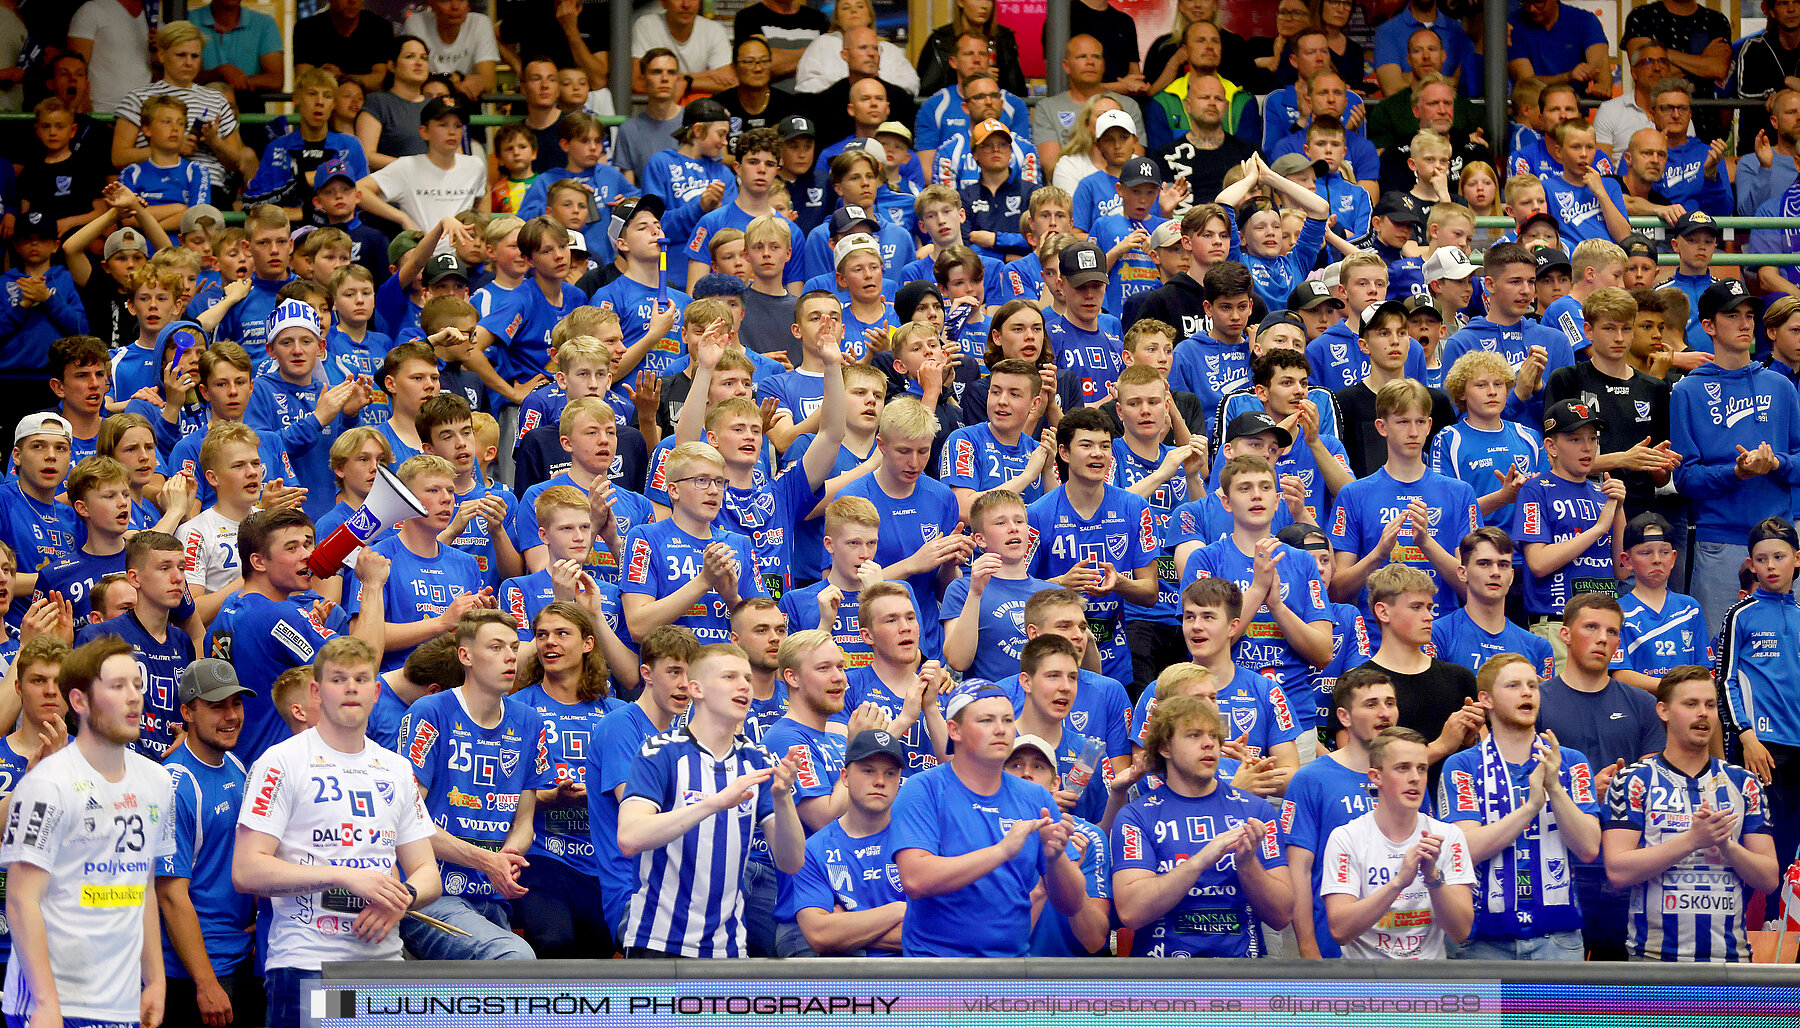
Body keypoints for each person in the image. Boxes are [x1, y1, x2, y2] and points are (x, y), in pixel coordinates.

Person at [235, 636, 439, 1028]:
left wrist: (403, 898)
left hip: (383, 967)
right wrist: (343, 875)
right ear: (316, 691)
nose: (351, 688)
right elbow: (246, 870)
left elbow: (427, 872)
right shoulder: (281, 762)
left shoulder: (396, 767)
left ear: (376, 691)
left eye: (362, 679)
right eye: (338, 679)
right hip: (309, 964)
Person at [0, 636, 175, 1028]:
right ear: (79, 701)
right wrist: (46, 1002)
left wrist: (156, 980)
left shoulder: (157, 782)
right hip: (54, 1002)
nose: (134, 697)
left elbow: (143, 884)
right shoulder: (46, 784)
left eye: (137, 685)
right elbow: (20, 900)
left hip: (123, 1001)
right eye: (117, 687)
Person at [617, 642, 805, 958]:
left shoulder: (756, 760)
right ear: (696, 689)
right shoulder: (660, 751)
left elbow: (791, 862)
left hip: (728, 949)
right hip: (658, 941)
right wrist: (714, 803)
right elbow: (630, 837)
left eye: (747, 677)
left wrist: (783, 799)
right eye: (730, 676)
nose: (744, 685)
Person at [889, 680, 1088, 956]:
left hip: (1012, 968)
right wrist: (1002, 851)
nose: (1001, 729)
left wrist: (1055, 860)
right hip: (935, 971)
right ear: (954, 730)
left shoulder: (1036, 798)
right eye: (986, 720)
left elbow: (1072, 904)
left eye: (1008, 719)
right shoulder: (923, 789)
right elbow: (915, 880)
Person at [1602, 667, 1782, 962]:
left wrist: (1727, 846)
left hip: (1729, 962)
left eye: (1710, 705)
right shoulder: (1633, 780)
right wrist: (1693, 839)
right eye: (1690, 704)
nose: (1703, 713)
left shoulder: (1743, 782)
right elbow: (1618, 871)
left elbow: (1769, 878)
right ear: (1663, 711)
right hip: (1652, 960)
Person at [395, 611, 541, 960]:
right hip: (430, 895)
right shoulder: (429, 712)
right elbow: (408, 822)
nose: (510, 656)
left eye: (514, 647)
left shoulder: (529, 721)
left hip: (491, 896)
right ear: (466, 656)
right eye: (496, 647)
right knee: (516, 959)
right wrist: (487, 861)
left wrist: (505, 859)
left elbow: (524, 823)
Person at [1438, 654, 1602, 960]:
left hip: (1557, 939)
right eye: (1513, 685)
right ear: (1485, 699)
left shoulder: (1570, 762)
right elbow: (1465, 849)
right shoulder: (1461, 765)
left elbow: (1589, 847)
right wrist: (1530, 808)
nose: (1526, 692)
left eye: (1532, 685)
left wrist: (1554, 787)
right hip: (1482, 941)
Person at [1113, 693, 1290, 957]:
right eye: (1194, 735)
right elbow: (1131, 912)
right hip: (1162, 980)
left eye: (1213, 736)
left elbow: (1281, 915)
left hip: (1242, 977)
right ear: (1165, 748)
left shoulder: (1257, 811)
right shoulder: (1136, 816)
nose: (1209, 744)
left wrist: (1247, 864)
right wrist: (1200, 861)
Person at [1672, 280, 1800, 634]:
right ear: (1708, 326)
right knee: (1719, 650)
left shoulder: (1781, 386)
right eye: (1732, 315)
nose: (1745, 324)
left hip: (1779, 540)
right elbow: (1685, 479)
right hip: (1720, 542)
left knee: (1787, 654)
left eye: (1749, 315)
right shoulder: (1686, 391)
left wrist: (1777, 464)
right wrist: (1737, 472)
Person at [157, 658, 260, 1028]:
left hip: (239, 958)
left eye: (236, 703)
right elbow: (170, 895)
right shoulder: (174, 785)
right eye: (217, 706)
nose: (231, 716)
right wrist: (205, 983)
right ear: (187, 711)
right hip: (195, 976)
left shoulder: (236, 764)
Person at [1321, 726, 1476, 958]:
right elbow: (1340, 930)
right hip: (1366, 986)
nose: (1414, 778)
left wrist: (1433, 877)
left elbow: (1461, 931)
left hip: (1427, 985)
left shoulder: (1448, 836)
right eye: (1403, 768)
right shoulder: (1347, 837)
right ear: (1376, 777)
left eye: (1421, 769)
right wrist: (1399, 882)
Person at [1281, 668, 1397, 959]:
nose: (1384, 713)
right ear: (1344, 717)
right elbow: (1299, 870)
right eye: (1371, 704)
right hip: (1334, 949)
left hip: (1403, 949)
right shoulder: (1311, 779)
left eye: (1390, 703)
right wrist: (1307, 947)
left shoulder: (1407, 775)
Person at [1716, 516, 1800, 871]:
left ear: (1797, 558)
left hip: (1797, 744)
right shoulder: (1740, 614)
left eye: (1779, 557)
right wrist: (1746, 735)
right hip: (1759, 746)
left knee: (1790, 844)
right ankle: (1754, 921)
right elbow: (1723, 680)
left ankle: (1781, 922)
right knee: (1758, 839)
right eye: (1762, 559)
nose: (1770, 566)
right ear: (1750, 564)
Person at [784, 729, 909, 955]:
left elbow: (944, 929)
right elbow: (819, 935)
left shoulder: (919, 838)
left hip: (916, 976)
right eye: (868, 771)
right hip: (848, 980)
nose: (880, 781)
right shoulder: (815, 849)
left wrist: (847, 926)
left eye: (890, 774)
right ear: (845, 777)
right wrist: (899, 911)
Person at [112, 21, 258, 196]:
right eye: (181, 55)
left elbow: (237, 162)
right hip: (153, 187)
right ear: (161, 54)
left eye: (195, 56)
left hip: (208, 187)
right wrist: (172, 148)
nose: (189, 63)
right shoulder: (137, 98)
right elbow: (119, 157)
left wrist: (215, 142)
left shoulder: (216, 99)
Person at [1032, 34, 1146, 172]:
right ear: (1066, 66)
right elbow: (1050, 165)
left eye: (1096, 57)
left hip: (1119, 186)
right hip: (1066, 184)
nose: (1090, 62)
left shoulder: (1128, 106)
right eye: (1082, 57)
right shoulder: (1047, 107)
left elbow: (1136, 162)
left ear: (1103, 65)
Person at [1622, 0, 1731, 138]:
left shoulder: (1716, 20)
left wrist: (1657, 53)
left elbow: (1719, 69)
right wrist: (1703, 60)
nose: (1658, 66)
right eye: (1657, 60)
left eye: (1661, 60)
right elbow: (1643, 70)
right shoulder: (1642, 16)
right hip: (1651, 120)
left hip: (1704, 123)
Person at [793, 0, 917, 97]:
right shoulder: (822, 44)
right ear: (837, 19)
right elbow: (805, 86)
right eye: (846, 7)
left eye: (860, 6)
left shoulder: (890, 49)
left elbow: (911, 86)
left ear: (870, 16)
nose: (853, 11)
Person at [915, 0, 1026, 99]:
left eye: (989, 0)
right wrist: (974, 77)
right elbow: (926, 90)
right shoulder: (941, 40)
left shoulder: (1003, 38)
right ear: (960, 2)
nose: (984, 6)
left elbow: (1017, 90)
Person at [1507, 0, 1612, 100]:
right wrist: (1568, 77)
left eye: (1539, 2)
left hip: (1573, 112)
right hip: (1531, 112)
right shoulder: (1512, 24)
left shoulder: (1585, 21)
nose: (1531, 9)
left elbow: (1600, 70)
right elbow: (1526, 84)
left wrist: (1600, 87)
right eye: (1525, 2)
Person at [1374, 0, 1478, 96]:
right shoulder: (1387, 31)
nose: (1426, 56)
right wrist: (1449, 81)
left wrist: (1413, 82)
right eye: (1417, 51)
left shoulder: (1458, 30)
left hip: (1450, 113)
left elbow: (1467, 84)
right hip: (1405, 114)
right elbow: (1392, 91)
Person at [66, 0, 152, 114]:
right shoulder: (92, 10)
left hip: (144, 114)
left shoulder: (155, 19)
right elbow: (74, 65)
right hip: (102, 112)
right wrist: (82, 103)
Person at [294, 0, 400, 93]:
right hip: (322, 106)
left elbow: (379, 80)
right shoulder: (307, 29)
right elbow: (303, 79)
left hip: (370, 107)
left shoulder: (380, 27)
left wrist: (341, 77)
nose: (352, 1)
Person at [1737, 0, 1800, 148]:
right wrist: (1782, 92)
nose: (1791, 9)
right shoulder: (1754, 47)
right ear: (1771, 11)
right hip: (1759, 148)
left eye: (1796, 2)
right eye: (1783, 3)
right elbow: (1743, 93)